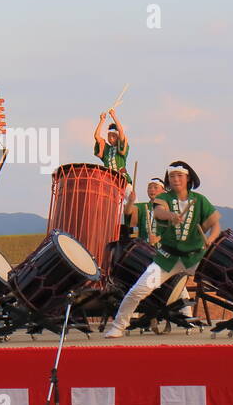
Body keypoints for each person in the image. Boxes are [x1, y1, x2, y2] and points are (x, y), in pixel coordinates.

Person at [104, 161, 220, 338]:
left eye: (179, 176)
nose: (175, 179)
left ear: (188, 178)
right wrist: (171, 216)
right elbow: (159, 212)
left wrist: (210, 239)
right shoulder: (164, 198)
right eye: (172, 176)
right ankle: (118, 326)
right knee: (137, 291)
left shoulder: (200, 200)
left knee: (225, 284)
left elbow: (215, 225)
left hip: (194, 257)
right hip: (167, 260)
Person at [125, 177, 166, 244]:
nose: (152, 190)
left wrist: (157, 239)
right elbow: (128, 213)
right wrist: (130, 201)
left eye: (155, 187)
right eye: (149, 188)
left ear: (163, 191)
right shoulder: (141, 207)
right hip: (144, 249)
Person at [93, 109, 130, 180]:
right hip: (108, 180)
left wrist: (113, 116)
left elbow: (121, 131)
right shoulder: (106, 149)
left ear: (118, 137)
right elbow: (96, 136)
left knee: (129, 190)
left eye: (113, 136)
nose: (111, 138)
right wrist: (102, 121)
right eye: (109, 136)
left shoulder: (121, 146)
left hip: (122, 179)